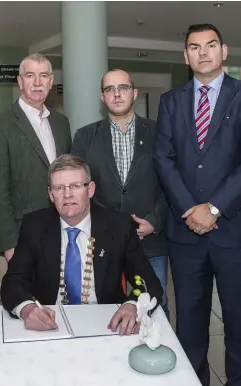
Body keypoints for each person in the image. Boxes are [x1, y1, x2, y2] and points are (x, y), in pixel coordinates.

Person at [153, 23, 241, 386]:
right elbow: (164, 159)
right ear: (185, 56)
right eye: (194, 47)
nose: (203, 52)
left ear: (224, 51)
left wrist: (213, 208)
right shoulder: (170, 101)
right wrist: (192, 210)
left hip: (238, 237)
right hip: (186, 237)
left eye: (210, 45)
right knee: (189, 329)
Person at [0, 154, 163, 334]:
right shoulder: (34, 226)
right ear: (50, 194)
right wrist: (27, 309)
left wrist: (133, 306)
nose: (67, 194)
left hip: (108, 323)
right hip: (50, 323)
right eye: (59, 188)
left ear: (90, 189)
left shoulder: (118, 226)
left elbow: (149, 282)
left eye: (76, 186)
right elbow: (13, 281)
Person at [72, 69, 170, 319]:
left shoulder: (160, 132)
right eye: (109, 89)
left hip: (150, 240)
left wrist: (154, 221)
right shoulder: (84, 136)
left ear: (134, 92)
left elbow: (171, 183)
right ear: (102, 97)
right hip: (102, 240)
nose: (116, 94)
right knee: (102, 311)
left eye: (123, 88)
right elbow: (79, 187)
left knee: (153, 307)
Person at [0, 53, 72, 266]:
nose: (38, 82)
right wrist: (10, 246)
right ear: (20, 82)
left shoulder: (61, 123)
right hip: (20, 239)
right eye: (30, 75)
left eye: (43, 76)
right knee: (21, 299)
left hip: (61, 233)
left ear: (50, 82)